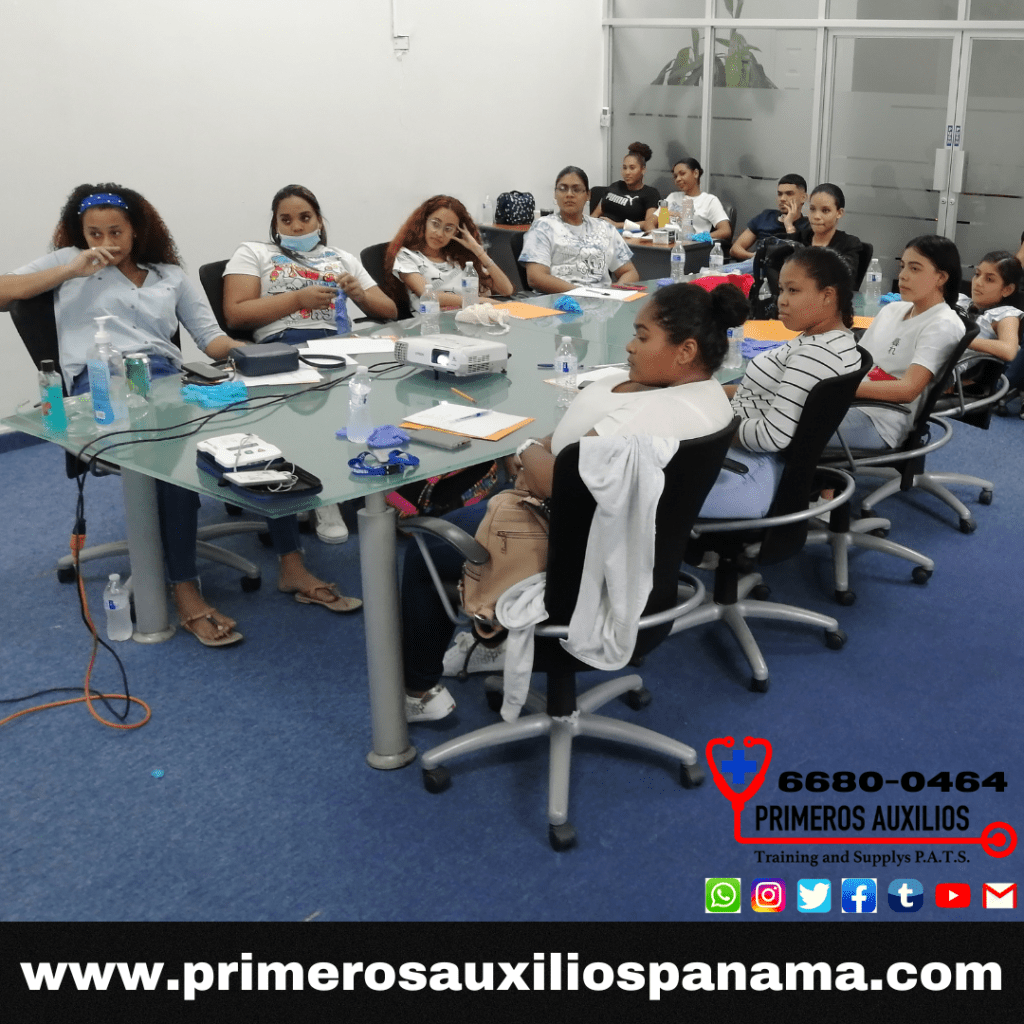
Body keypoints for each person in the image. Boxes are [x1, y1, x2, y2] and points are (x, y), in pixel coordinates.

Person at [0, 183, 360, 646]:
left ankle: (291, 564)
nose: (106, 242)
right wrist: (71, 268)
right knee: (173, 461)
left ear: (136, 230)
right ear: (80, 233)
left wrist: (262, 358)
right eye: (94, 233)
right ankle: (186, 590)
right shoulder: (68, 262)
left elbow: (211, 339)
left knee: (262, 440)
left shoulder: (168, 274)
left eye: (116, 232)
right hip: (103, 388)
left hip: (168, 381)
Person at [401, 282, 746, 721]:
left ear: (686, 350)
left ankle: (419, 693)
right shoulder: (708, 396)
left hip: (574, 566)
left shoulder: (645, 418)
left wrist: (527, 450)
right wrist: (541, 452)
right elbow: (571, 453)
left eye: (642, 337)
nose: (630, 345)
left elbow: (558, 481)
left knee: (427, 550)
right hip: (629, 560)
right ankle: (492, 638)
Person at [223, 184, 396, 544]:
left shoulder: (342, 257)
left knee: (391, 377)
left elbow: (389, 311)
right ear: (275, 224)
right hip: (284, 345)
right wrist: (297, 299)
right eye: (286, 220)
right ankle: (324, 496)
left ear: (319, 220)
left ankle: (380, 480)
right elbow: (236, 314)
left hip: (341, 344)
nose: (297, 226)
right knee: (315, 400)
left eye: (305, 218)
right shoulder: (254, 252)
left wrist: (359, 295)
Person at [699, 247, 862, 518]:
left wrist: (708, 426)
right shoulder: (828, 340)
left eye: (793, 291)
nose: (781, 301)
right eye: (782, 290)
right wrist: (709, 392)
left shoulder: (815, 354)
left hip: (750, 472)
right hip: (750, 459)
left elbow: (771, 436)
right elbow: (771, 392)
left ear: (827, 295)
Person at [833, 235, 965, 450]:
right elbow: (856, 359)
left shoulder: (943, 324)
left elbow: (908, 390)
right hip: (851, 402)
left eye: (915, 269)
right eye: (902, 267)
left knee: (787, 426)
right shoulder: (893, 309)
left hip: (880, 421)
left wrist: (837, 389)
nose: (902, 275)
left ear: (941, 277)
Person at [383, 194, 515, 312]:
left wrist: (478, 250)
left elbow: (506, 290)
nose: (439, 233)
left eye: (448, 228)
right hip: (432, 324)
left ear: (456, 232)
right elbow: (428, 294)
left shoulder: (459, 257)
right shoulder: (407, 256)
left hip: (470, 319)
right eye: (435, 224)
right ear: (424, 221)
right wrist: (479, 301)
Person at [520, 166, 640, 294]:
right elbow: (536, 278)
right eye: (563, 189)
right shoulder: (543, 227)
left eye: (576, 189)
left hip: (602, 301)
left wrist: (613, 294)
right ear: (555, 194)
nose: (569, 194)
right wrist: (586, 293)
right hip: (559, 300)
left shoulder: (605, 228)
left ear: (588, 195)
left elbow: (629, 272)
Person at [790, 184, 864, 283]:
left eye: (825, 210)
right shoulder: (799, 238)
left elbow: (845, 277)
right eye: (812, 209)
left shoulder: (849, 243)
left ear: (839, 213)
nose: (816, 216)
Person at [730, 174, 809, 261]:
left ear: (803, 198)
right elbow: (735, 249)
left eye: (789, 194)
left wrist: (789, 226)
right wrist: (755, 257)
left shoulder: (808, 226)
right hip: (755, 264)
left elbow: (797, 260)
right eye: (779, 194)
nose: (782, 199)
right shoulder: (766, 216)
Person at [592, 142, 660, 230]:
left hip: (626, 234)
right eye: (624, 168)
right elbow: (596, 214)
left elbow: (649, 223)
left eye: (632, 168)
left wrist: (616, 225)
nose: (627, 172)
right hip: (601, 230)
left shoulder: (650, 193)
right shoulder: (615, 186)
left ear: (643, 169)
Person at [664, 157, 731, 242]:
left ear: (695, 173)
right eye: (675, 176)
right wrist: (655, 235)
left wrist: (698, 237)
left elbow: (725, 231)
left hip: (693, 245)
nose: (677, 179)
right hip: (666, 243)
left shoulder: (709, 201)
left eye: (682, 174)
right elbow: (653, 221)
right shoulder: (672, 197)